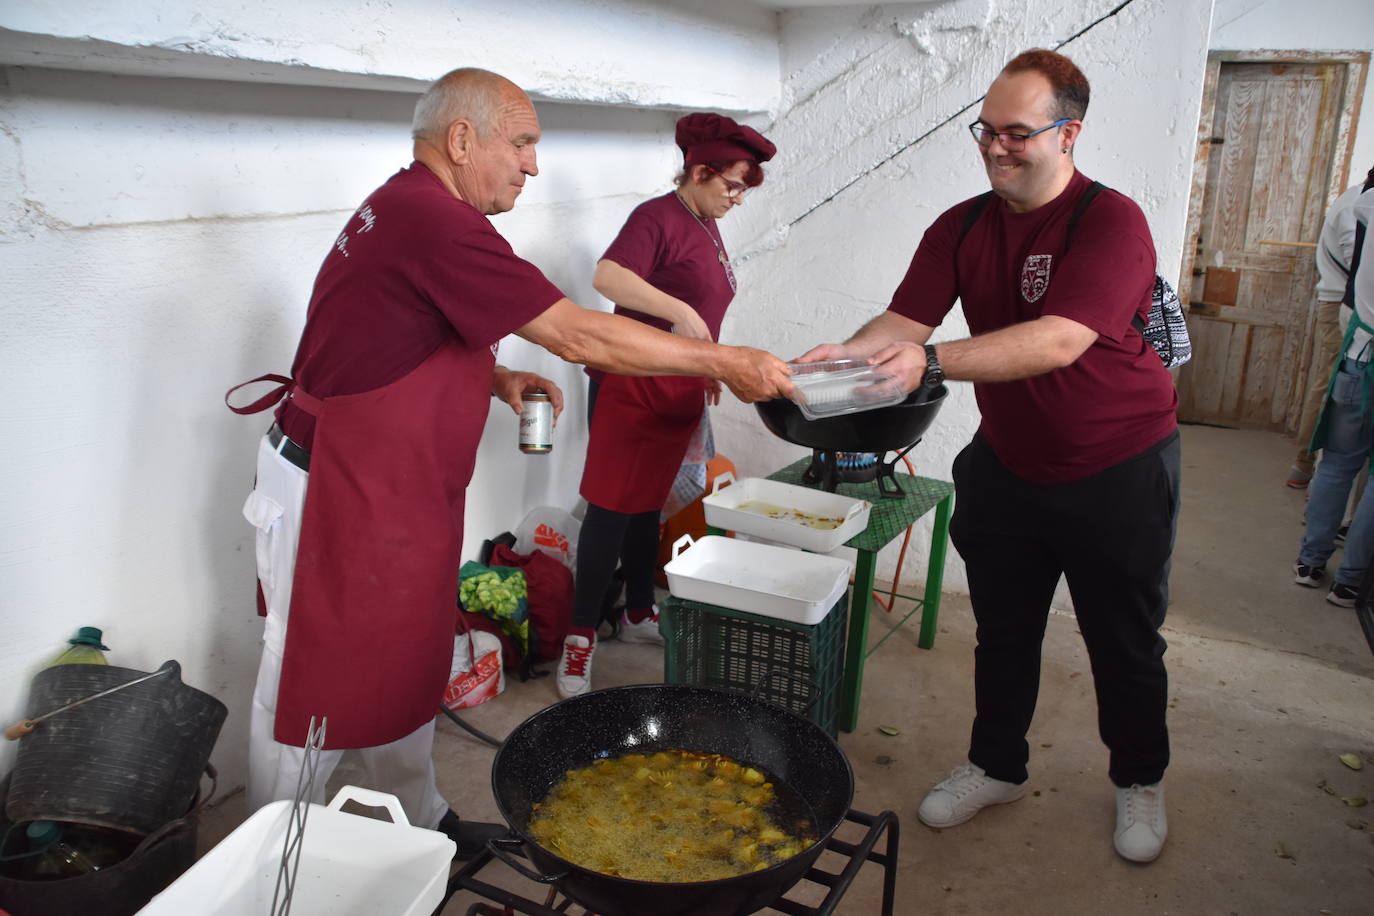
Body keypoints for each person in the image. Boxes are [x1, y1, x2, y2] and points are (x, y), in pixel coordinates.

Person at [224, 67, 792, 859]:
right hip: (336, 492)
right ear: (463, 140)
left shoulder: (412, 205)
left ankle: (417, 825)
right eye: (522, 143)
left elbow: (381, 331)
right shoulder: (433, 219)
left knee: (405, 660)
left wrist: (493, 379)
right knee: (307, 687)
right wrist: (722, 361)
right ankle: (263, 871)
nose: (532, 165)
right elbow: (579, 334)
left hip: (393, 494)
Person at [800, 49, 1180, 863]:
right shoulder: (962, 224)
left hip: (1117, 465)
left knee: (1125, 638)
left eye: (1017, 133)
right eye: (985, 130)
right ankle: (996, 764)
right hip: (1010, 463)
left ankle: (1138, 777)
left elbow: (1061, 339)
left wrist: (931, 363)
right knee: (1004, 630)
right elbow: (904, 323)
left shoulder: (1110, 222)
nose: (995, 147)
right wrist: (836, 361)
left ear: (1068, 133)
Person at [555, 113, 776, 699]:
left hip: (677, 384)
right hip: (632, 383)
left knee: (648, 506)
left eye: (742, 188)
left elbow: (707, 303)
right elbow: (609, 275)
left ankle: (636, 613)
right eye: (731, 184)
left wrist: (708, 364)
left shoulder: (705, 222)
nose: (736, 198)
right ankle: (578, 642)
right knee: (610, 507)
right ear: (699, 172)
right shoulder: (656, 217)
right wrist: (677, 312)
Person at [1294, 168, 1374, 606]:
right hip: (1360, 350)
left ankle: (1311, 560)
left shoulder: (1363, 205)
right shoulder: (1360, 205)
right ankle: (1351, 581)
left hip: (1359, 353)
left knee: (1339, 463)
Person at [1287, 177, 1368, 488]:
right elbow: (1358, 264)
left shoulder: (1354, 198)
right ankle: (1309, 467)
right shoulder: (1356, 202)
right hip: (1344, 305)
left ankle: (1307, 468)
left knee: (1331, 384)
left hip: (1346, 303)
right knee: (1334, 386)